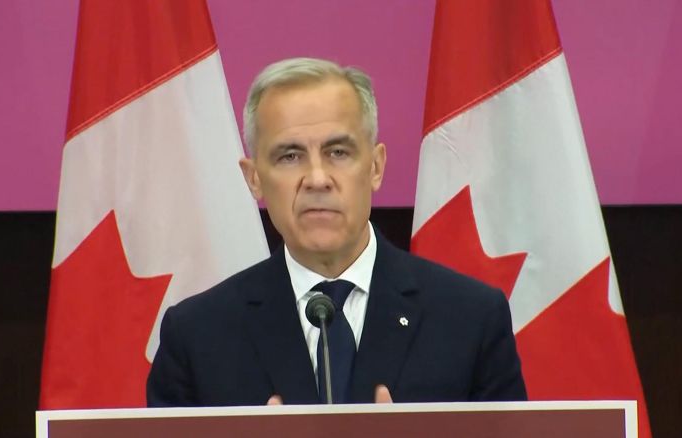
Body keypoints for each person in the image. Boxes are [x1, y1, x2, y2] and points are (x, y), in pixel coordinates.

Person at [146, 57, 526, 406]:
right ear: (254, 178)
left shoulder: (471, 320)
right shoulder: (196, 337)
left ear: (375, 167)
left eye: (338, 152)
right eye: (290, 156)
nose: (317, 178)